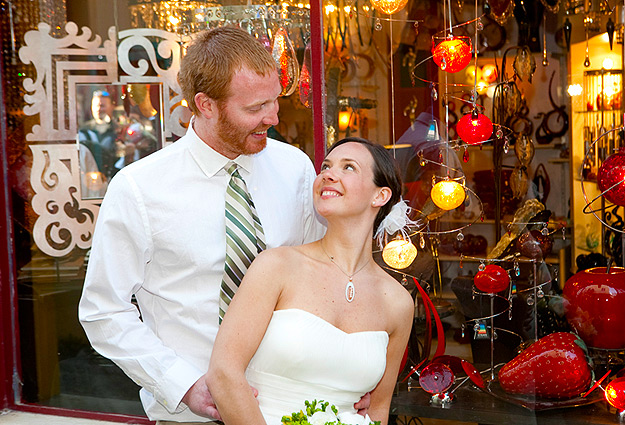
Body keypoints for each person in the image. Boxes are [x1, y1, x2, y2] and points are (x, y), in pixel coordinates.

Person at [78, 27, 328, 423]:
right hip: (190, 417)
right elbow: (103, 312)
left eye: (275, 102)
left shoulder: (294, 168)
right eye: (255, 108)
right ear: (205, 105)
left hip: (293, 407)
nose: (273, 117)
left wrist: (343, 376)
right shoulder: (139, 188)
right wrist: (182, 384)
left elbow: (320, 281)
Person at [206, 137, 415, 425]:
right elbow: (223, 373)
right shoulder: (278, 266)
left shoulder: (398, 302)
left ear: (379, 196)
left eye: (349, 168)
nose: (328, 174)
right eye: (326, 166)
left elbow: (378, 410)